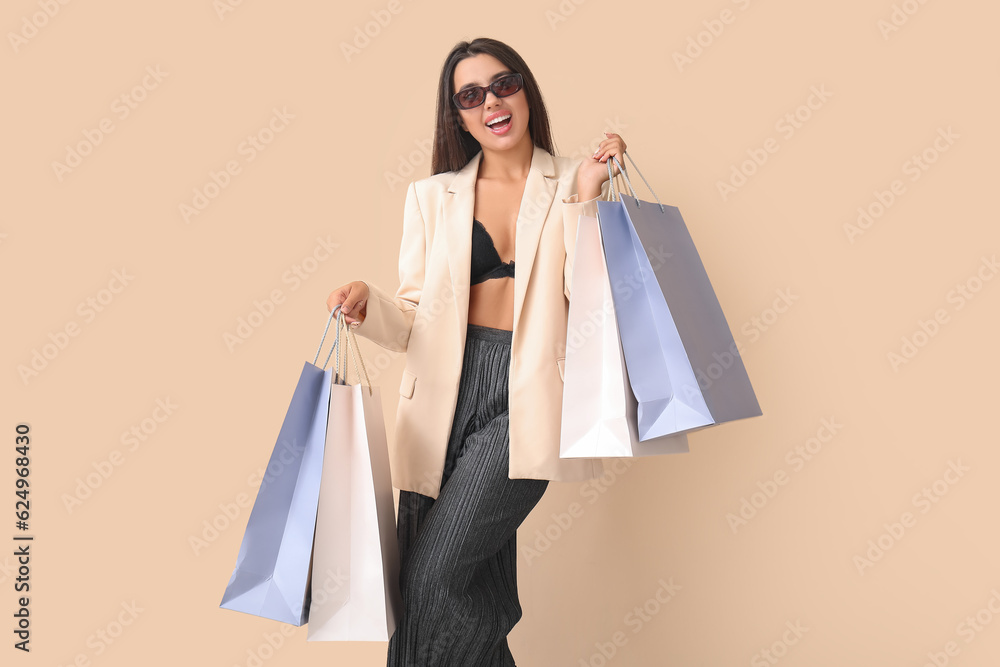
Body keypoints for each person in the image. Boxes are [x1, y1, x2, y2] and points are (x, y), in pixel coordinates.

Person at [327, 36, 627, 667]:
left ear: (525, 90)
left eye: (503, 83)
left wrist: (592, 191)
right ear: (457, 114)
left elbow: (594, 301)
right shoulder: (431, 197)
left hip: (526, 398)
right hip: (440, 403)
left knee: (432, 579)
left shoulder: (573, 178)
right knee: (443, 585)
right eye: (470, 94)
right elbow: (412, 318)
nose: (490, 101)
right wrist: (365, 303)